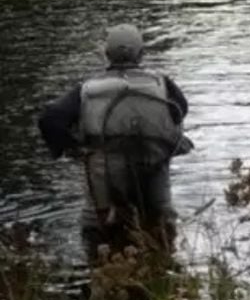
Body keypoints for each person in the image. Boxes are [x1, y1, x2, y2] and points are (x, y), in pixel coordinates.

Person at [38, 24, 192, 263]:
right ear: (141, 54)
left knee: (97, 231)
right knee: (161, 227)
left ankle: (102, 276)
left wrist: (73, 149)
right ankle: (164, 276)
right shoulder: (163, 84)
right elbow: (180, 110)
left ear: (106, 55)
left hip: (103, 173)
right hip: (153, 166)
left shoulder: (86, 90)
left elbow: (50, 120)